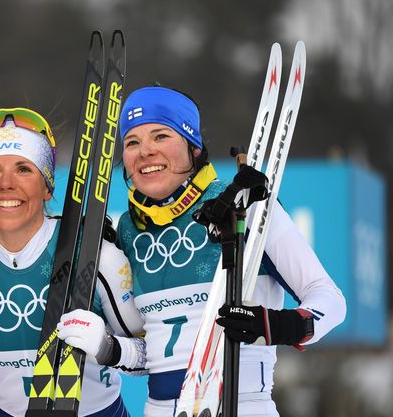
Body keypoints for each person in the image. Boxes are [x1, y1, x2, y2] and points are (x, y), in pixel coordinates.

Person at [56, 86, 347, 417]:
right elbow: (146, 359)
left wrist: (275, 326)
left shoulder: (242, 203)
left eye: (161, 136)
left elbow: (331, 301)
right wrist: (107, 348)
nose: (145, 152)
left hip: (243, 404)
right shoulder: (125, 231)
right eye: (132, 142)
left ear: (193, 147)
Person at [0, 107, 146, 417]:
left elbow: (149, 358)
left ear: (47, 186)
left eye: (24, 168)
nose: (6, 183)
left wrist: (109, 348)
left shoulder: (95, 256)